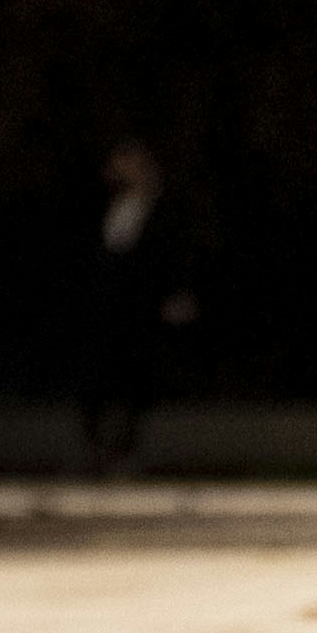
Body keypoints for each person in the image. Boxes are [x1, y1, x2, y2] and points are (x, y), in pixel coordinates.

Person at [77, 138, 178, 478]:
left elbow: (170, 253)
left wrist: (174, 294)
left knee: (134, 380)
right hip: (102, 306)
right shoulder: (100, 203)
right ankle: (94, 450)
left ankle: (126, 452)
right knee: (94, 378)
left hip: (140, 307)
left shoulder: (161, 208)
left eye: (133, 163)